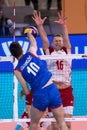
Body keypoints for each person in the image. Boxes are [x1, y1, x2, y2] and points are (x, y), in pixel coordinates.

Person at [9, 30, 69, 130]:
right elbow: (33, 42)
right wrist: (29, 33)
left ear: (13, 56)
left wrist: (23, 91)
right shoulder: (31, 53)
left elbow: (27, 91)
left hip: (40, 94)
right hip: (52, 88)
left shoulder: (17, 70)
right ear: (21, 49)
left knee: (34, 124)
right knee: (62, 123)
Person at [32, 11, 74, 130]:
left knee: (68, 124)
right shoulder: (49, 52)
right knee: (55, 126)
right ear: (53, 43)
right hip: (53, 91)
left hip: (66, 91)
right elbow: (44, 40)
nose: (58, 42)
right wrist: (40, 26)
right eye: (56, 41)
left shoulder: (67, 52)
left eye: (59, 41)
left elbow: (66, 39)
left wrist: (63, 25)